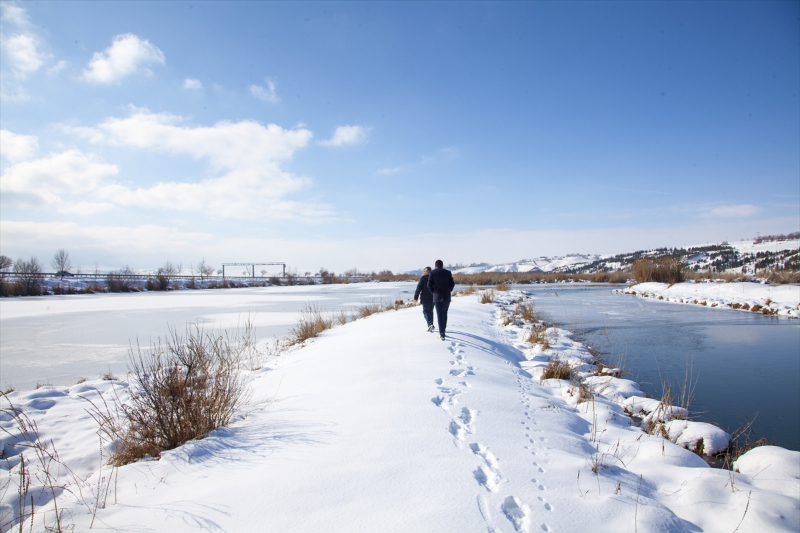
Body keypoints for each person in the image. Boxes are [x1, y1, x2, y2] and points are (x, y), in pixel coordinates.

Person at [427, 259, 454, 340]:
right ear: (442, 265)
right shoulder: (448, 272)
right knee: (444, 313)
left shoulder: (432, 272)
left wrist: (433, 292)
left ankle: (441, 333)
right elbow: (452, 284)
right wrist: (449, 290)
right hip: (446, 297)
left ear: (435, 265)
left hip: (437, 297)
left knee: (439, 314)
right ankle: (443, 330)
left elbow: (429, 285)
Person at [413, 267, 435, 331]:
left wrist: (415, 297)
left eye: (424, 271)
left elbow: (419, 288)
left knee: (425, 311)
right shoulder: (434, 278)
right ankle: (431, 324)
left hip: (425, 298)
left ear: (428, 271)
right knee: (430, 311)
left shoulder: (423, 278)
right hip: (433, 298)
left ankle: (429, 324)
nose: (423, 272)